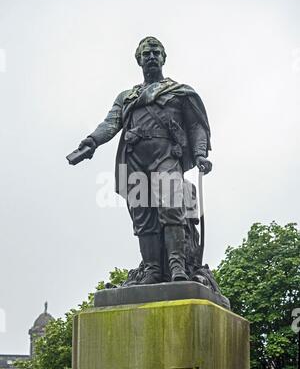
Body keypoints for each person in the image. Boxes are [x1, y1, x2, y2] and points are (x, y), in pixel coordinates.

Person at [77, 37, 212, 285]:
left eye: (155, 52)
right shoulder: (127, 97)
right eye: (146, 53)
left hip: (166, 156)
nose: (151, 56)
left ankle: (176, 267)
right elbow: (111, 123)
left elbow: (195, 126)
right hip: (135, 158)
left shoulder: (180, 92)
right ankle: (152, 269)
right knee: (143, 215)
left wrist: (201, 153)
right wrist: (92, 141)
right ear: (138, 60)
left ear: (163, 57)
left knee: (172, 208)